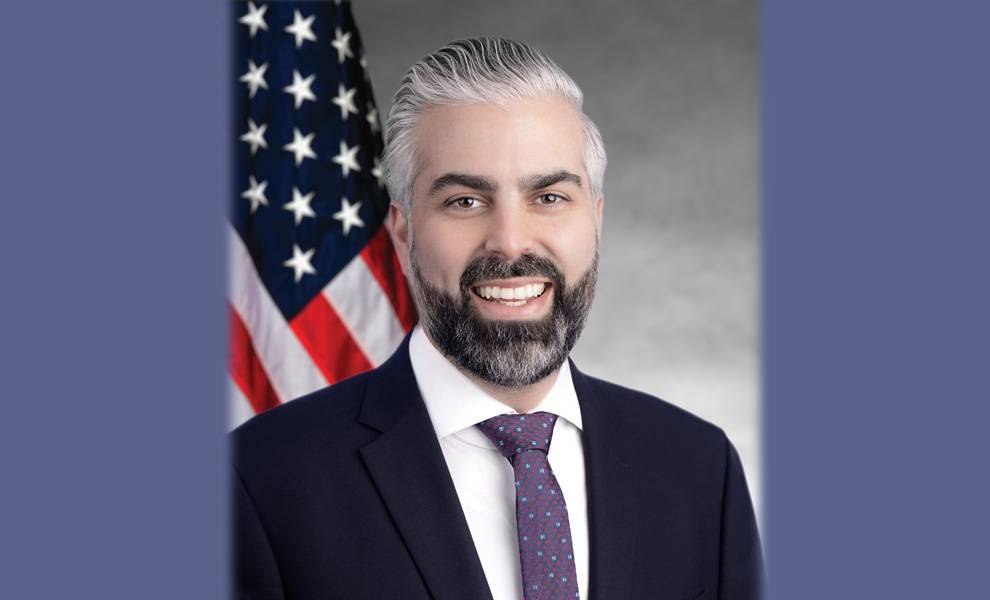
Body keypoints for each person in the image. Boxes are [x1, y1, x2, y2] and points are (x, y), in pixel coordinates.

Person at [232, 38, 763, 600]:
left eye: (550, 197)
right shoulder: (260, 480)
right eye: (465, 201)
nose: (510, 244)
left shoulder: (699, 469)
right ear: (404, 229)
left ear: (596, 219)